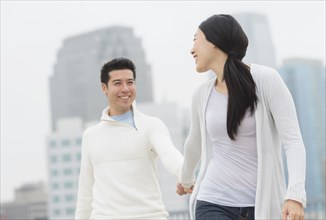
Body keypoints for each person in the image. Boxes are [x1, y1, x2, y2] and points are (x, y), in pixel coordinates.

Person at [176, 14, 306, 220]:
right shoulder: (201, 94)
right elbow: (194, 142)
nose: (191, 49)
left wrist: (295, 196)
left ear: (214, 43)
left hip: (261, 205)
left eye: (195, 39)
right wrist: (185, 179)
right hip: (213, 202)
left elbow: (293, 140)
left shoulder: (265, 79)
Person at [75, 57, 184, 220]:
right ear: (104, 88)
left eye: (130, 82)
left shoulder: (151, 125)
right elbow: (85, 193)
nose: (125, 89)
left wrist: (184, 175)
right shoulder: (91, 136)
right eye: (118, 83)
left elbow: (169, 153)